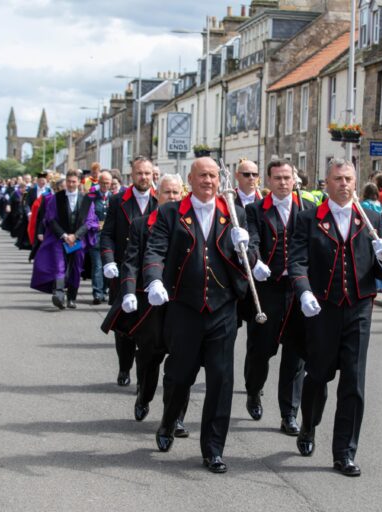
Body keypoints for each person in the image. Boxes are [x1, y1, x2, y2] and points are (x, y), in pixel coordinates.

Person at [143, 157, 251, 473]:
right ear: (190, 178)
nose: (208, 181)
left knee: (221, 379)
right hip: (184, 307)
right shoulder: (169, 212)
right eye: (202, 175)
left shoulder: (234, 212)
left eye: (213, 176)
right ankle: (168, 421)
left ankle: (213, 449)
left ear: (220, 180)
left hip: (222, 308)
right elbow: (155, 250)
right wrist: (153, 280)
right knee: (179, 375)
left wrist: (246, 247)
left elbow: (248, 258)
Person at [288, 158, 382, 477]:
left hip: (359, 307)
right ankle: (308, 425)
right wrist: (303, 290)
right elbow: (297, 260)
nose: (344, 184)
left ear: (355, 183)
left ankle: (344, 452)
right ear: (326, 183)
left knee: (354, 381)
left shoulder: (371, 217)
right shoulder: (308, 218)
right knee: (317, 376)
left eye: (348, 179)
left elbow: (380, 271)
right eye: (337, 179)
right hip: (323, 308)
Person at [101, 174, 190, 435]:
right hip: (149, 306)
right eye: (167, 193)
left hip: (179, 305)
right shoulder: (141, 224)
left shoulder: (189, 224)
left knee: (182, 362)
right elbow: (130, 261)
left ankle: (176, 417)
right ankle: (144, 396)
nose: (172, 198)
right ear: (157, 196)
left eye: (176, 193)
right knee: (149, 359)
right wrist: (128, 290)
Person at [243, 159, 314, 435]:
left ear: (294, 179)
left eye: (287, 177)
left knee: (296, 355)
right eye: (278, 178)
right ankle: (253, 390)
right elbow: (251, 241)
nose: (283, 183)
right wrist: (255, 261)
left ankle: (289, 413)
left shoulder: (307, 210)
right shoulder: (255, 210)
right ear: (268, 181)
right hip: (268, 288)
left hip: (297, 290)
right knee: (260, 350)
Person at [101, 156, 157, 387]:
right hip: (124, 271)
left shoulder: (162, 199)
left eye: (147, 173)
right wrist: (108, 260)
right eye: (139, 173)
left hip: (154, 274)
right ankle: (125, 366)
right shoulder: (117, 201)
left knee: (150, 328)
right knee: (123, 325)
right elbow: (107, 235)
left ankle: (145, 374)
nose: (144, 178)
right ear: (131, 175)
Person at [30, 170, 99, 309]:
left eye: (74, 181)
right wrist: (65, 236)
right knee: (59, 265)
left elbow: (90, 222)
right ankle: (59, 294)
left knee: (76, 267)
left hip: (78, 240)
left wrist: (76, 235)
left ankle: (72, 298)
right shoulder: (56, 198)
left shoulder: (86, 200)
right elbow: (51, 219)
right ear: (65, 182)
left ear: (79, 182)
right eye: (69, 181)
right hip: (59, 239)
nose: (71, 184)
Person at [84, 171, 112, 304]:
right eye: (102, 183)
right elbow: (87, 215)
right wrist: (96, 224)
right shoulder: (91, 197)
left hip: (110, 239)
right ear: (98, 183)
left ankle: (105, 289)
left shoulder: (114, 197)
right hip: (95, 237)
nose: (105, 185)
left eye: (107, 183)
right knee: (97, 266)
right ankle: (97, 293)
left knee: (108, 265)